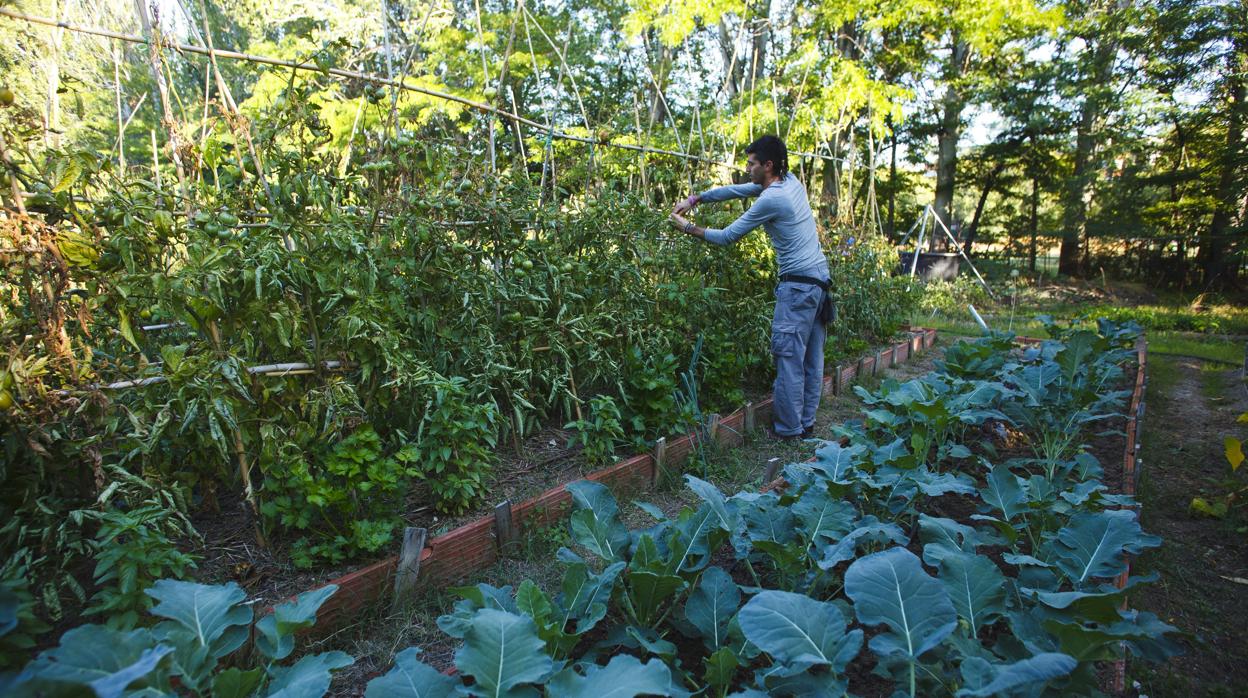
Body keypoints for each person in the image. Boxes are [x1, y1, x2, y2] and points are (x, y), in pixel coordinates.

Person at [668, 135, 832, 440]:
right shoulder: (790, 181)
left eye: (752, 163)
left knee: (789, 360)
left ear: (767, 165)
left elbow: (728, 236)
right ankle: (805, 425)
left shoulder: (773, 199)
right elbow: (735, 190)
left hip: (797, 288)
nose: (747, 168)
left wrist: (687, 227)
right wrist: (695, 199)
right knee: (811, 360)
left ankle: (789, 431)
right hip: (818, 283)